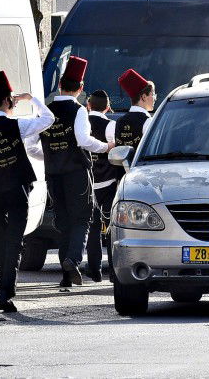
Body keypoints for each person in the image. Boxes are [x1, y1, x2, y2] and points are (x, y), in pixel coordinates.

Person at [0, 71, 54, 312]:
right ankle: (6, 292)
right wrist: (31, 99)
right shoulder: (18, 125)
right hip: (17, 189)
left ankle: (1, 290)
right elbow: (48, 119)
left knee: (0, 237)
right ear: (8, 100)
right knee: (15, 240)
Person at [41, 56, 110, 290]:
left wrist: (49, 155)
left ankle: (66, 274)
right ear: (80, 88)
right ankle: (73, 260)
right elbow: (83, 140)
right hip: (76, 171)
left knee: (63, 221)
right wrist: (104, 147)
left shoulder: (48, 111)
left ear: (60, 84)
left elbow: (32, 144)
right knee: (83, 217)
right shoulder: (79, 110)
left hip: (53, 173)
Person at [85, 89, 122, 281]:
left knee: (92, 227)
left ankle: (95, 269)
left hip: (88, 182)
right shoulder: (110, 125)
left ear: (88, 105)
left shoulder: (81, 123)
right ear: (107, 107)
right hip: (107, 182)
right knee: (110, 228)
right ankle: (114, 271)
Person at [115, 69, 155, 151]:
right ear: (144, 97)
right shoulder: (148, 121)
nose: (155, 98)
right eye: (153, 94)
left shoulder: (119, 121)